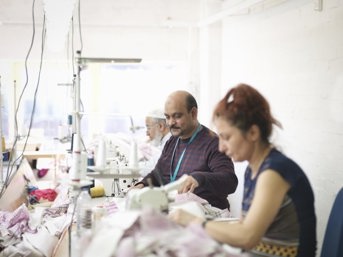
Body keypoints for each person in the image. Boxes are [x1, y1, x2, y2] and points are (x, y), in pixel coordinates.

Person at [169, 84, 317, 257]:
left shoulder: (273, 173)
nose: (221, 147)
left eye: (226, 137)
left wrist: (195, 222)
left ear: (253, 133)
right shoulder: (253, 170)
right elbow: (244, 226)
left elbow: (247, 236)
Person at [132, 90, 238, 210]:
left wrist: (199, 178)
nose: (171, 123)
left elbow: (230, 181)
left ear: (193, 113)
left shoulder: (213, 142)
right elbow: (158, 174)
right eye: (167, 117)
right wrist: (141, 185)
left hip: (207, 215)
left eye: (177, 116)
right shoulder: (172, 141)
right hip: (176, 211)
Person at [139, 108, 172, 176]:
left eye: (148, 128)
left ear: (161, 126)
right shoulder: (165, 142)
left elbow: (152, 169)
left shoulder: (170, 144)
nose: (147, 134)